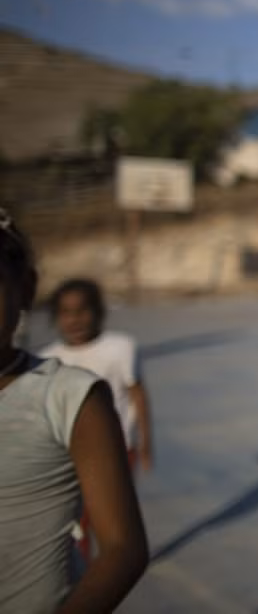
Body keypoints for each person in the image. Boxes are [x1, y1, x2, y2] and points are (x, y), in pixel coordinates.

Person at [0, 207, 148, 612]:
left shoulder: (70, 395)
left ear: (25, 289)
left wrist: (145, 443)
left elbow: (124, 549)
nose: (74, 320)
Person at [42, 278, 153, 560]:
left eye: (82, 310)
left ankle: (112, 566)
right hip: (68, 455)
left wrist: (145, 442)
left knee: (113, 518)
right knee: (77, 521)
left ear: (97, 312)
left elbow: (137, 393)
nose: (74, 319)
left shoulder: (120, 347)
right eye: (66, 312)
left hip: (118, 449)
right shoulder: (48, 360)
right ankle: (87, 574)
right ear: (56, 317)